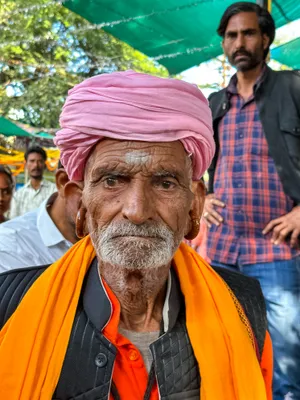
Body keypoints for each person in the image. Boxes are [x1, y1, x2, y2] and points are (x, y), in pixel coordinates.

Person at [0, 71, 272, 399]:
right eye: (113, 180)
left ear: (194, 206)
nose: (137, 210)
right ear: (80, 202)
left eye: (165, 183)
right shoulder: (11, 306)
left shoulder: (244, 310)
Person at [203, 3, 300, 399]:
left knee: (286, 365)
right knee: (227, 351)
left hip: (276, 251)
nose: (238, 42)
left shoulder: (293, 88)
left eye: (247, 34)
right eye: (230, 36)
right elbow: (194, 161)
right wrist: (202, 196)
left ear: (266, 39)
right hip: (223, 249)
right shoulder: (214, 103)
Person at [0, 164, 77, 271]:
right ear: (63, 182)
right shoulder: (10, 241)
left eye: (6, 191)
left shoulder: (51, 189)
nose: (1, 198)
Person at [9, 145, 56, 218]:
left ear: (44, 165)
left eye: (40, 161)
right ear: (26, 164)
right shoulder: (19, 195)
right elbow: (13, 221)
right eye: (32, 161)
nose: (36, 165)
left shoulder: (54, 191)